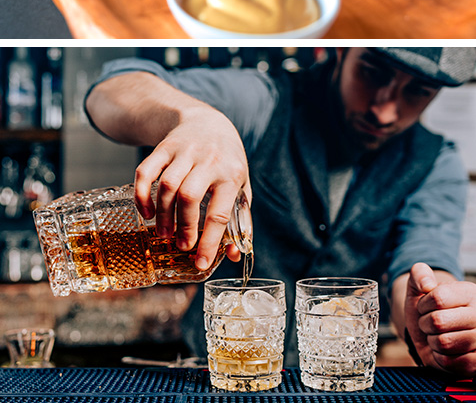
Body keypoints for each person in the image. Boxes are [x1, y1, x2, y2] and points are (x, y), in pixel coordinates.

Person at [84, 47, 476, 376]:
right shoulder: (263, 101)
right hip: (215, 372)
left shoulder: (436, 162)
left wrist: (437, 311)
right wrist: (194, 118)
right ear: (339, 51)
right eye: (372, 73)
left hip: (331, 380)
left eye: (418, 92)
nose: (385, 111)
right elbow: (109, 89)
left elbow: (422, 262)